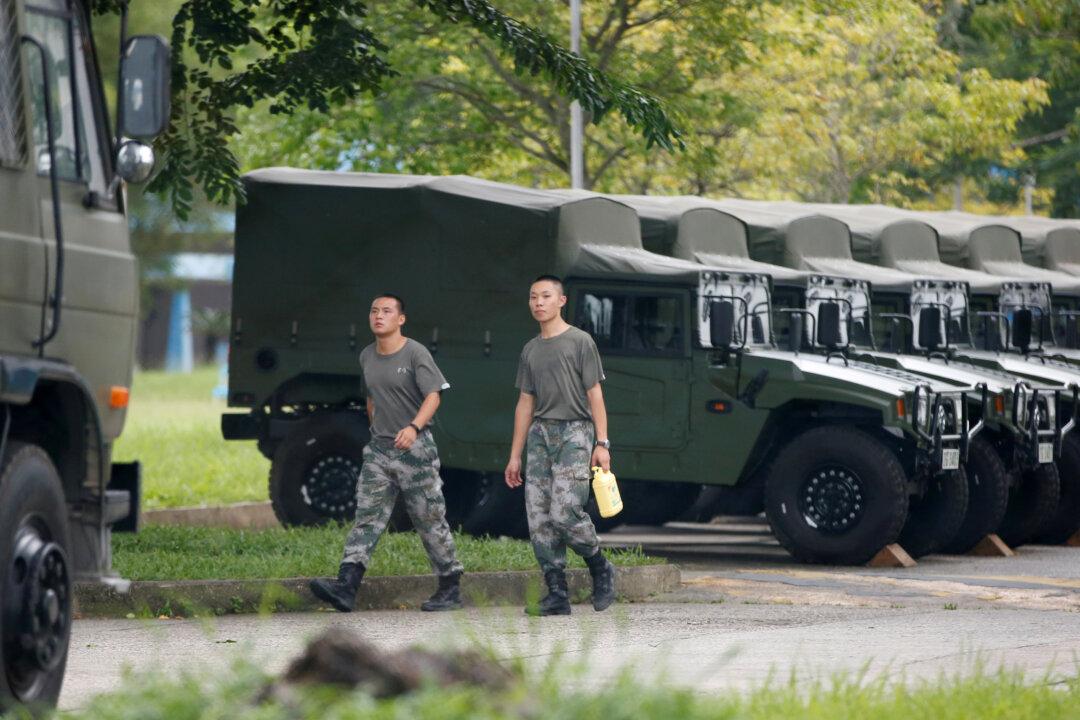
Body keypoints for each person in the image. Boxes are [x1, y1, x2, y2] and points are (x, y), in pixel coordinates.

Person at [310, 294, 464, 612]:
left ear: (401, 319)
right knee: (367, 518)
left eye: (387, 311)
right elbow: (372, 398)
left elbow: (434, 396)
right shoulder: (367, 355)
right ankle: (346, 586)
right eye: (374, 311)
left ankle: (450, 585)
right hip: (379, 450)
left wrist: (413, 427)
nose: (379, 316)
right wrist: (376, 431)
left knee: (428, 518)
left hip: (415, 450)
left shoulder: (415, 353)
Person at [504, 275, 616, 616]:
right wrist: (515, 456)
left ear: (561, 301)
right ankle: (556, 593)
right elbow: (525, 401)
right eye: (533, 297)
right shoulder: (530, 349)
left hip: (575, 433)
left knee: (565, 512)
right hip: (540, 435)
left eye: (546, 296)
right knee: (539, 516)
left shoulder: (580, 342)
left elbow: (595, 393)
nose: (538, 302)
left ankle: (600, 566)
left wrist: (602, 443)